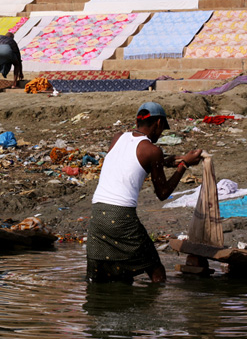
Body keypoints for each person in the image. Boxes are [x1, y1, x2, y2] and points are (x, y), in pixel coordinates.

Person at [86, 102, 203, 284]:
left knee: (101, 277)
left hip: (97, 217)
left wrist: (164, 162)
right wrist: (183, 165)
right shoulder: (153, 150)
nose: (161, 133)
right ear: (158, 124)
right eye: (162, 128)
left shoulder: (118, 138)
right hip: (121, 217)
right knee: (156, 271)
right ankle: (154, 309)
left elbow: (128, 162)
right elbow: (163, 193)